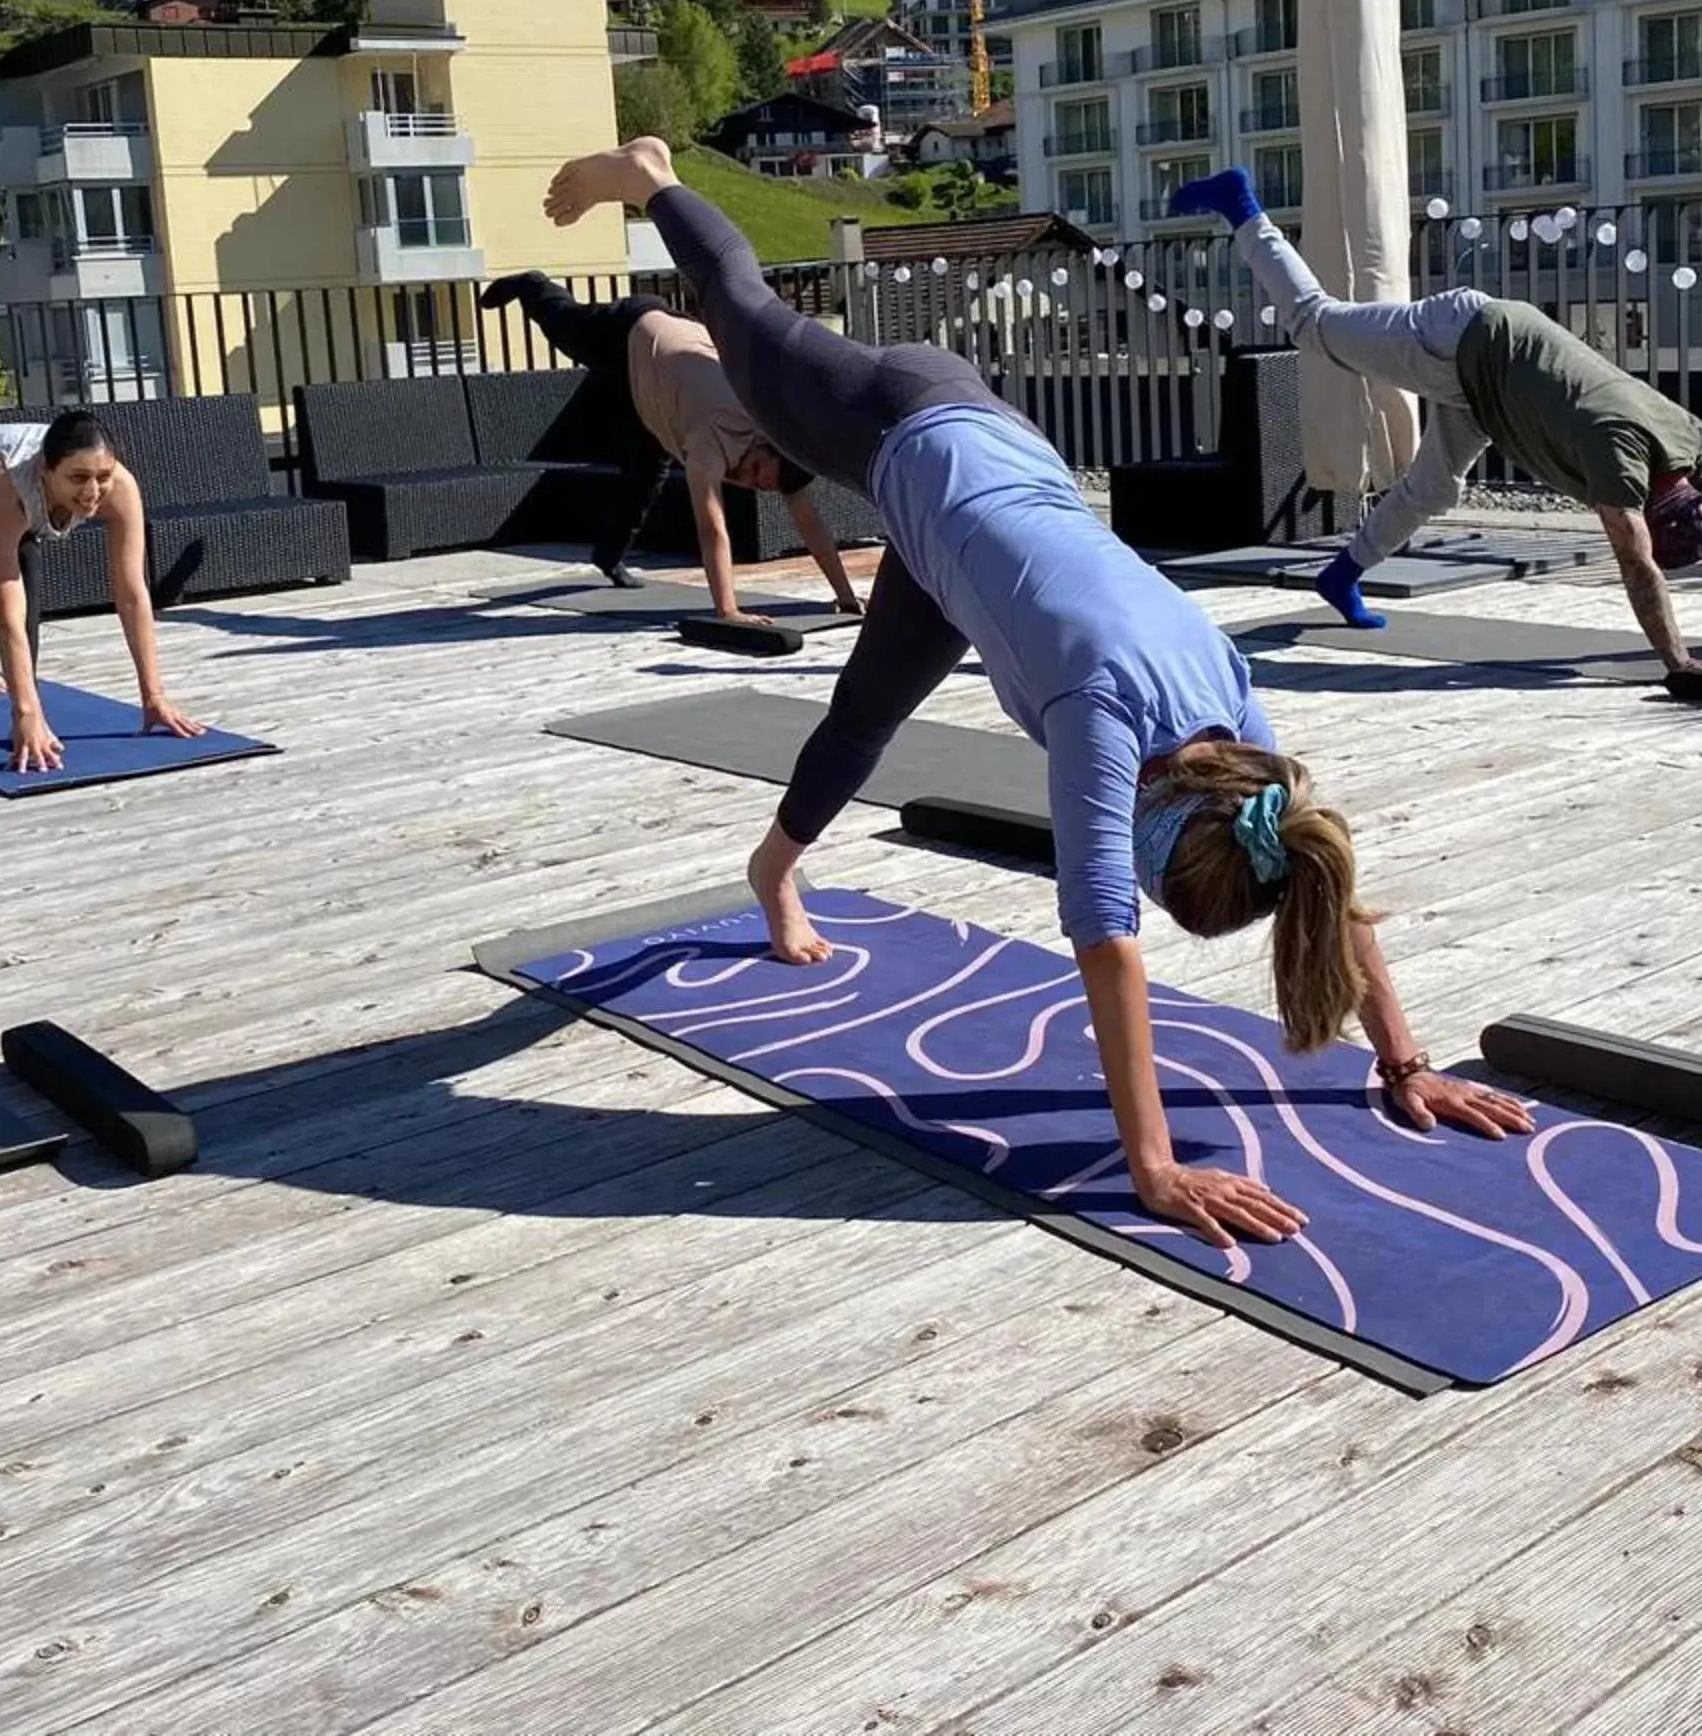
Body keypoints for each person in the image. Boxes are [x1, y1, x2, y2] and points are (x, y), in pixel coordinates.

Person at [545, 135, 1533, 1250]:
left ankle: (771, 872)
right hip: (900, 422)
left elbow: (1324, 879)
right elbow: (1104, 941)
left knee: (864, 716)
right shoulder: (1098, 716)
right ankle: (657, 174)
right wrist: (1152, 1168)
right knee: (740, 308)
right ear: (1156, 822)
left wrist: (1407, 1064)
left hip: (979, 501)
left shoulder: (1247, 736)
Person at [1171, 167, 1702, 675]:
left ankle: (1342, 574)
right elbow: (1637, 563)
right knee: (1313, 325)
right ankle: (1242, 206)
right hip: (1457, 337)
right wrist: (1680, 663)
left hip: (1486, 388)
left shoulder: (1695, 453)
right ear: (1651, 502)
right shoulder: (1617, 454)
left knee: (1435, 487)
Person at [479, 270, 866, 627]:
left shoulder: (779, 447)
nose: (753, 482)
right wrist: (728, 610)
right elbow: (712, 527)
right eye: (758, 473)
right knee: (565, 327)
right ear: (765, 444)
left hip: (662, 393)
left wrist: (846, 597)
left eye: (764, 486)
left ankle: (609, 556)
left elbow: (810, 522)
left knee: (648, 473)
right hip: (630, 329)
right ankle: (532, 285)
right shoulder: (713, 435)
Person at [0, 410, 205, 774]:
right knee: (15, 562)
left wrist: (154, 698)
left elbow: (133, 594)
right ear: (45, 469)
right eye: (78, 478)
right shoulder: (5, 479)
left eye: (101, 477)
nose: (91, 493)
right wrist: (27, 713)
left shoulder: (120, 486)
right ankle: (18, 699)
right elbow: (11, 618)